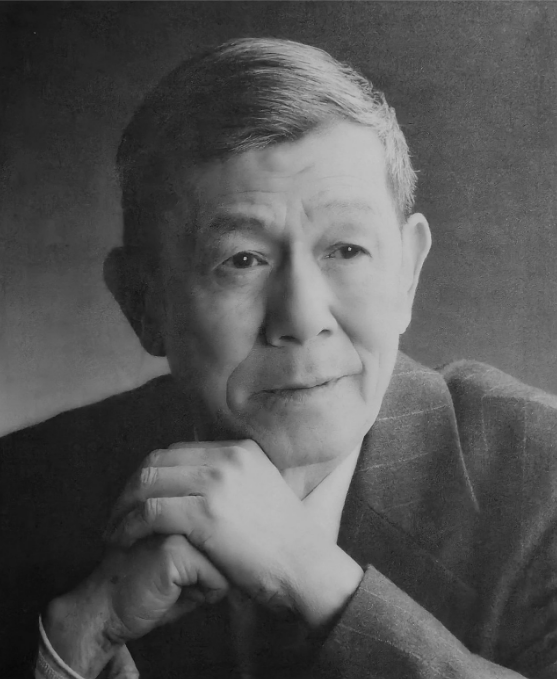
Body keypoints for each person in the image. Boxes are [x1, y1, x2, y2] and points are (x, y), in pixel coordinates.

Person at [1, 37, 556, 679]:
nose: (302, 317)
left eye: (346, 250)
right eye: (243, 260)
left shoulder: (539, 476)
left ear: (408, 273)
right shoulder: (26, 492)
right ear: (143, 304)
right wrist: (71, 644)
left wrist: (313, 576)